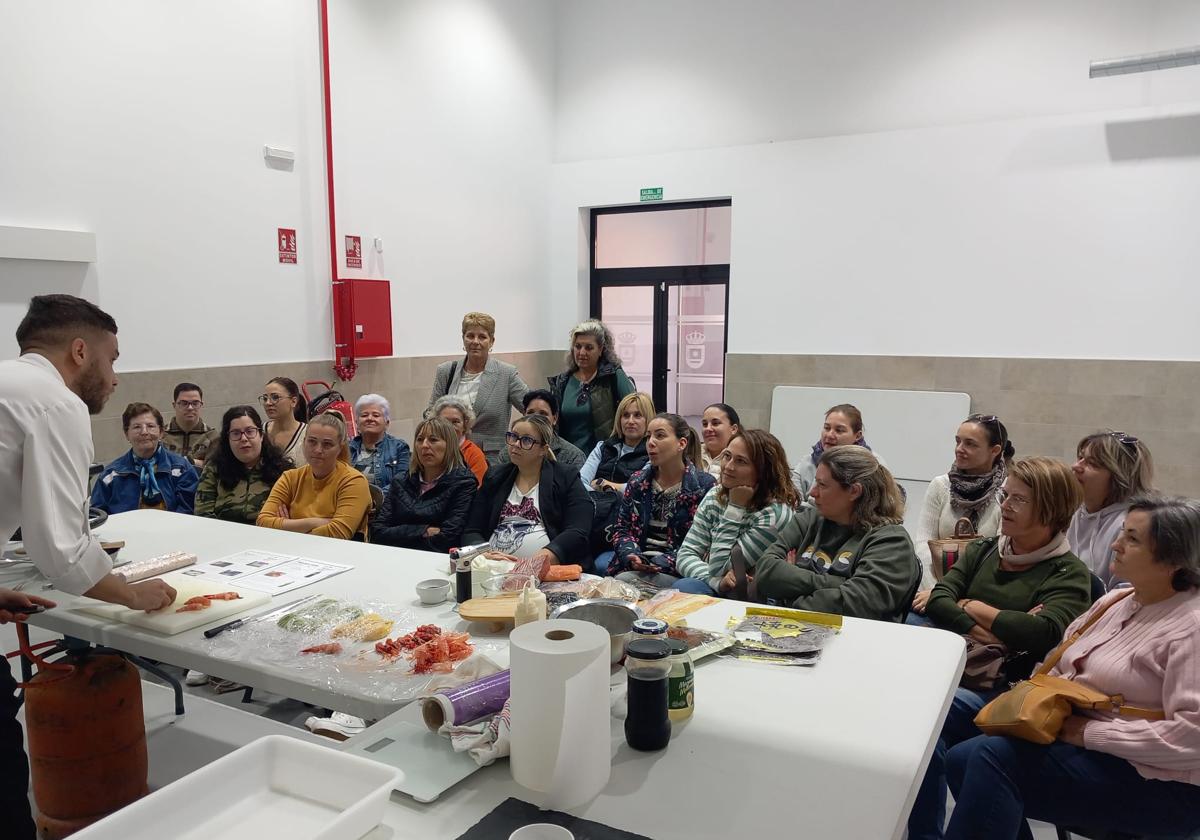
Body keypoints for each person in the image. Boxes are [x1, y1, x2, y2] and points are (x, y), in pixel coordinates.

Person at [0, 294, 176, 840]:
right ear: (80, 351)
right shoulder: (54, 402)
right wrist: (128, 592)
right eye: (113, 358)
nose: (116, 377)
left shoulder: (9, 385)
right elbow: (60, 543)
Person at [941, 495, 1200, 840]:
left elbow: (1191, 738)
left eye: (1133, 538)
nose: (1116, 544)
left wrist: (1088, 733)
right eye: (1122, 532)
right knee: (962, 758)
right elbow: (1062, 664)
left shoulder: (1191, 627)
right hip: (1083, 744)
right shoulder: (1116, 600)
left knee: (993, 758)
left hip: (1160, 780)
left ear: (1174, 560)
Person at [906, 455, 1093, 840]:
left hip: (1004, 689)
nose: (1004, 506)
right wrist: (995, 628)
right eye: (1006, 496)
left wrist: (971, 605)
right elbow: (940, 597)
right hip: (952, 670)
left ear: (1051, 509)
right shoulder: (987, 549)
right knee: (922, 725)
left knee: (922, 722)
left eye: (1018, 500)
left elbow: (1041, 634)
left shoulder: (1068, 574)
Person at [754, 446, 918, 620]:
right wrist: (836, 583)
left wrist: (789, 593)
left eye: (822, 485)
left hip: (852, 640)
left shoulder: (891, 541)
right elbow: (765, 571)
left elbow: (853, 605)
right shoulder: (809, 519)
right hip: (789, 631)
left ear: (854, 491)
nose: (812, 492)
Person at [675, 429, 799, 595]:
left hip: (754, 594)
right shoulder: (715, 495)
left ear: (763, 470)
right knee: (682, 587)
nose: (728, 466)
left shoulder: (776, 514)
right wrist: (715, 582)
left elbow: (719, 567)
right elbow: (685, 555)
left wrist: (735, 508)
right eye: (727, 456)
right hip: (716, 585)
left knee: (686, 588)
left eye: (741, 461)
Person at [912, 414, 1014, 608]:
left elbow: (1001, 554)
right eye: (958, 441)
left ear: (995, 450)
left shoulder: (1008, 491)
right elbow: (923, 546)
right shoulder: (940, 485)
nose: (959, 449)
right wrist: (937, 592)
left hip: (982, 599)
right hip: (933, 591)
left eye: (970, 444)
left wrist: (951, 598)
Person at [462, 415, 593, 565]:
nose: (516, 444)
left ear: (543, 449)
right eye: (513, 437)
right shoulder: (495, 477)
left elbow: (578, 530)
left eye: (526, 440)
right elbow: (471, 530)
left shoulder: (565, 477)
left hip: (547, 570)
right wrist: (483, 553)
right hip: (493, 568)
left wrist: (548, 554)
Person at [608, 414, 716, 586]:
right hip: (636, 564)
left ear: (681, 443)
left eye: (660, 435)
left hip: (679, 569)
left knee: (623, 583)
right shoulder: (637, 481)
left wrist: (659, 563)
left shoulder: (704, 486)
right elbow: (621, 529)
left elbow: (704, 543)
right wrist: (631, 555)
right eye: (648, 436)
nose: (651, 442)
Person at [427, 312, 528, 463]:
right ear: (463, 338)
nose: (475, 341)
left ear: (491, 341)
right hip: (450, 457)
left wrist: (520, 437)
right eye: (470, 336)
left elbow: (531, 407)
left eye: (482, 337)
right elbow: (430, 413)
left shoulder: (506, 373)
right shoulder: (446, 371)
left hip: (491, 460)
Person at [256, 412, 371, 540]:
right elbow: (263, 522)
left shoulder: (354, 481)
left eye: (327, 444)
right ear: (304, 442)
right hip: (291, 552)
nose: (318, 450)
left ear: (340, 448)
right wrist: (315, 522)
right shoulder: (289, 477)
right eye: (312, 441)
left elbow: (339, 532)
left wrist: (287, 527)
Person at [372, 417, 477, 552]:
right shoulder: (400, 481)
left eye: (433, 440)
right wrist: (423, 530)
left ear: (449, 445)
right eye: (420, 440)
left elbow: (448, 539)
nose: (425, 445)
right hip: (395, 557)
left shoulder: (464, 483)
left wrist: (399, 533)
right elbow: (378, 532)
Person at [1068, 429, 1155, 587]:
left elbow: (1126, 594)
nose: (1076, 466)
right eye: (1080, 458)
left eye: (1092, 463)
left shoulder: (1129, 526)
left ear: (1119, 476)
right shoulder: (1072, 512)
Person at [91, 402, 199, 515]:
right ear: (126, 434)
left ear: (161, 432)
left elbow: (189, 511)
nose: (144, 432)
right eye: (137, 427)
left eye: (150, 426)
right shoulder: (111, 475)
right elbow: (98, 516)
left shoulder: (181, 469)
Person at [547, 319, 635, 454]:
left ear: (601, 350)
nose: (582, 352)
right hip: (569, 461)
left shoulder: (614, 376)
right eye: (578, 346)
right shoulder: (562, 382)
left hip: (604, 459)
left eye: (589, 347)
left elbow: (635, 410)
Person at [195, 406, 290, 525]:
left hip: (269, 536)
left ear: (261, 436)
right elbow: (203, 515)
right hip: (222, 537)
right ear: (227, 439)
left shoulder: (284, 470)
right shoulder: (214, 469)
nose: (244, 438)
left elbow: (289, 515)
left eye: (250, 431)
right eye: (236, 433)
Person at [789, 403, 889, 499]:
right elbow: (793, 502)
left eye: (839, 430)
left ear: (857, 436)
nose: (829, 435)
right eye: (827, 428)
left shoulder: (874, 465)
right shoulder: (807, 463)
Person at [579, 391, 654, 493]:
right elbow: (580, 482)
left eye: (637, 415)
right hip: (596, 504)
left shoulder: (652, 454)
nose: (630, 421)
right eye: (626, 415)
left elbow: (637, 489)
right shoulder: (602, 447)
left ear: (648, 420)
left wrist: (603, 484)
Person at [495, 389, 587, 470]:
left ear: (555, 418)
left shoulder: (573, 456)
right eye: (530, 413)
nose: (536, 418)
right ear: (524, 415)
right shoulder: (508, 453)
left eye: (543, 414)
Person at [348, 394, 411, 491]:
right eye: (364, 415)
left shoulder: (399, 448)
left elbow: (402, 483)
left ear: (387, 423)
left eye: (376, 415)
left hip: (387, 504)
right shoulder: (346, 448)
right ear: (356, 423)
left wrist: (375, 499)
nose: (369, 418)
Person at [429, 394, 488, 486]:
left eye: (455, 422)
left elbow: (478, 492)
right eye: (445, 421)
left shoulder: (474, 455)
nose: (450, 427)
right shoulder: (427, 448)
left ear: (465, 425)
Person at [161, 382, 220, 468]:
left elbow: (213, 469)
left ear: (201, 405)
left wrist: (187, 461)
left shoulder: (213, 437)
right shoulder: (161, 435)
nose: (190, 408)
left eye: (195, 403)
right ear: (174, 405)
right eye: (184, 403)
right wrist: (197, 462)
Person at [260, 376, 308, 466]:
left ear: (293, 401)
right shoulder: (259, 432)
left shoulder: (308, 434)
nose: (268, 403)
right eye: (265, 398)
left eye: (275, 397)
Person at [700, 402, 741, 479]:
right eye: (705, 424)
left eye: (715, 423)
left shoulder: (742, 459)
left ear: (733, 429)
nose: (708, 428)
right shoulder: (690, 454)